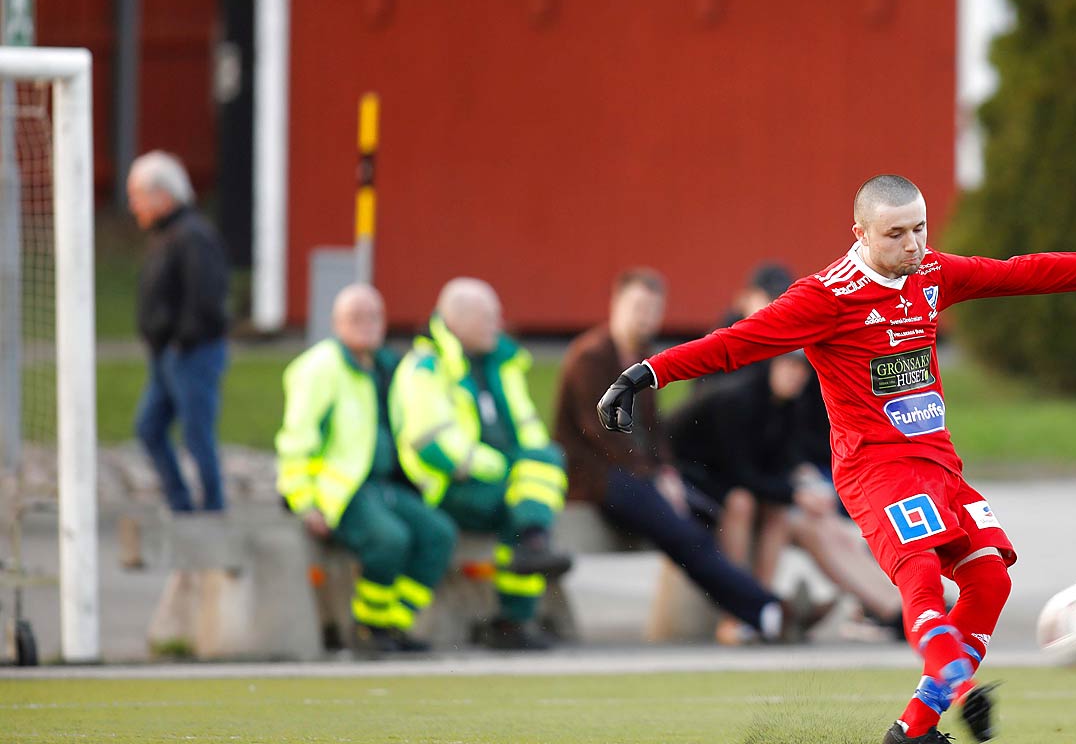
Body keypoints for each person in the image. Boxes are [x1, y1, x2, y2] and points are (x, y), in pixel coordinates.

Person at [598, 174, 1076, 744]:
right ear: (860, 233)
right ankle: (951, 692)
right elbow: (736, 343)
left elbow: (1021, 272)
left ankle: (912, 732)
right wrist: (643, 374)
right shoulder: (825, 298)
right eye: (897, 234)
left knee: (990, 577)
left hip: (940, 467)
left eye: (921, 229)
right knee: (921, 581)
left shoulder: (930, 272)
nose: (914, 245)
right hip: (876, 473)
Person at [552, 268, 830, 643]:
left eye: (653, 309)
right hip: (598, 479)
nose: (645, 317)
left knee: (703, 517)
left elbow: (654, 431)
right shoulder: (591, 356)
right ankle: (763, 607)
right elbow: (603, 437)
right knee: (684, 534)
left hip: (636, 476)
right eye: (637, 307)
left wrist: (665, 472)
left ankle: (759, 609)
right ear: (615, 305)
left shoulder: (639, 357)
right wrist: (656, 478)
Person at [670, 352, 905, 641]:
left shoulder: (788, 404)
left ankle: (897, 609)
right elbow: (740, 472)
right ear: (771, 365)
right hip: (687, 475)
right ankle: (738, 612)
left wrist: (804, 485)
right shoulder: (737, 400)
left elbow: (784, 462)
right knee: (743, 502)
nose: (796, 375)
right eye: (789, 365)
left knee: (794, 515)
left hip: (737, 482)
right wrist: (796, 494)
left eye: (803, 369)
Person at [391, 278, 573, 650]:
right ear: (455, 320)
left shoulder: (501, 365)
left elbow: (529, 430)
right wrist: (505, 469)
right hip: (450, 486)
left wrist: (529, 468)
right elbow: (432, 445)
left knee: (541, 475)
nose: (498, 324)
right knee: (528, 504)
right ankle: (517, 607)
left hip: (502, 485)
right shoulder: (426, 367)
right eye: (487, 317)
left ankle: (514, 619)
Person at [276, 285, 456, 654]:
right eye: (354, 317)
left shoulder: (388, 366)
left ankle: (395, 624)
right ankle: (368, 629)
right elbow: (296, 439)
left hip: (387, 483)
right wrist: (304, 501)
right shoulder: (321, 368)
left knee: (438, 535)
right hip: (341, 489)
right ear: (335, 323)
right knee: (389, 540)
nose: (366, 325)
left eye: (373, 316)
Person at [127, 151, 231, 513]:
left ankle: (214, 509)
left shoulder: (193, 236)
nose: (133, 205)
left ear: (163, 194)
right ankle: (181, 504)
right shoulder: (165, 235)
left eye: (138, 195)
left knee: (197, 434)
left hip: (190, 354)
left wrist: (180, 341)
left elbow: (205, 298)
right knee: (149, 427)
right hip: (166, 355)